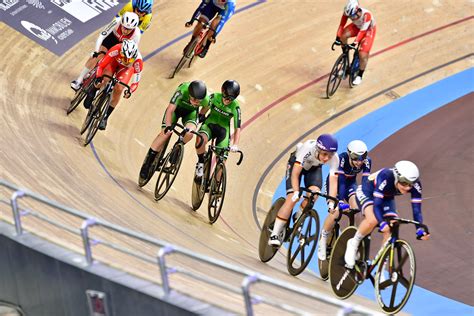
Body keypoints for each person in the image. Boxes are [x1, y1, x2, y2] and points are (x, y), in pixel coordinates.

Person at [344, 160, 430, 269]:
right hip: (368, 192)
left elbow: (417, 210)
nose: (408, 187)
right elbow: (377, 206)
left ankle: (380, 268)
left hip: (387, 197)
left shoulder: (416, 185)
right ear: (397, 177)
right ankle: (353, 243)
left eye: (410, 184)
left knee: (393, 225)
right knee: (373, 219)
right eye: (404, 183)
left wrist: (419, 228)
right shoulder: (386, 176)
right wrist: (382, 223)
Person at [268, 134, 339, 247]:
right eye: (325, 154)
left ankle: (298, 215)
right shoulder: (307, 148)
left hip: (314, 168)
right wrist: (296, 191)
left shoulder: (335, 159)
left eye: (330, 156)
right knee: (292, 199)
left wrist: (331, 203)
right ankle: (275, 234)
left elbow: (333, 181)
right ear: (318, 149)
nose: (327, 158)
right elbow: (295, 174)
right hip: (295, 165)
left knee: (314, 194)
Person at [139, 81, 209, 180]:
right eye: (194, 99)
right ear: (189, 94)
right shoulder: (182, 90)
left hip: (190, 114)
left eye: (199, 101)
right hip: (175, 110)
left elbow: (206, 106)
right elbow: (170, 110)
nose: (196, 103)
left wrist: (201, 114)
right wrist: (168, 126)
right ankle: (148, 162)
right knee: (165, 134)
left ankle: (176, 148)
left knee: (189, 134)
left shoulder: (205, 99)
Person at [318, 140, 371, 261]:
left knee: (357, 209)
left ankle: (353, 240)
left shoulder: (367, 162)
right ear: (349, 154)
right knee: (336, 211)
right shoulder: (341, 159)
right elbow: (340, 182)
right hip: (335, 184)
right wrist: (340, 201)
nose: (359, 162)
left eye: (361, 158)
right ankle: (323, 238)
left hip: (351, 184)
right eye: (355, 158)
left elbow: (364, 183)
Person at [71, 12, 141, 91]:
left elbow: (131, 51)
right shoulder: (116, 21)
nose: (125, 31)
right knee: (97, 56)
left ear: (134, 28)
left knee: (112, 66)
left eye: (129, 29)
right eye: (124, 27)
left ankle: (102, 87)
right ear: (121, 23)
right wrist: (96, 51)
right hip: (111, 40)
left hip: (121, 47)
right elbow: (102, 35)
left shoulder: (137, 34)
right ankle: (79, 80)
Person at [85, 39, 143, 130]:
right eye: (124, 57)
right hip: (113, 63)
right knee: (105, 78)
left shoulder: (138, 60)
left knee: (119, 88)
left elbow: (136, 82)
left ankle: (105, 117)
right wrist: (99, 77)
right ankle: (94, 90)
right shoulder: (116, 49)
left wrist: (130, 91)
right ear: (121, 52)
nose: (127, 61)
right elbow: (101, 65)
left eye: (130, 59)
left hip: (125, 70)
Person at [194, 80, 241, 177]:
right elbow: (204, 110)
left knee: (221, 162)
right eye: (226, 97)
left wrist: (235, 144)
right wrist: (200, 117)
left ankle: (216, 187)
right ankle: (201, 162)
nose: (227, 101)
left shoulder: (236, 107)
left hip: (223, 132)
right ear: (222, 92)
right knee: (200, 141)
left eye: (230, 99)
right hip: (209, 125)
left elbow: (237, 128)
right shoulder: (214, 97)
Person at [334, 0, 376, 86]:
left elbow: (363, 31)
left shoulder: (366, 15)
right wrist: (337, 38)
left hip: (368, 30)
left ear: (358, 10)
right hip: (357, 26)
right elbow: (342, 25)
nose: (352, 18)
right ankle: (345, 60)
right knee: (343, 36)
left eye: (353, 16)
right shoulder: (347, 12)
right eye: (350, 17)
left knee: (362, 54)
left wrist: (354, 43)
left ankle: (360, 75)